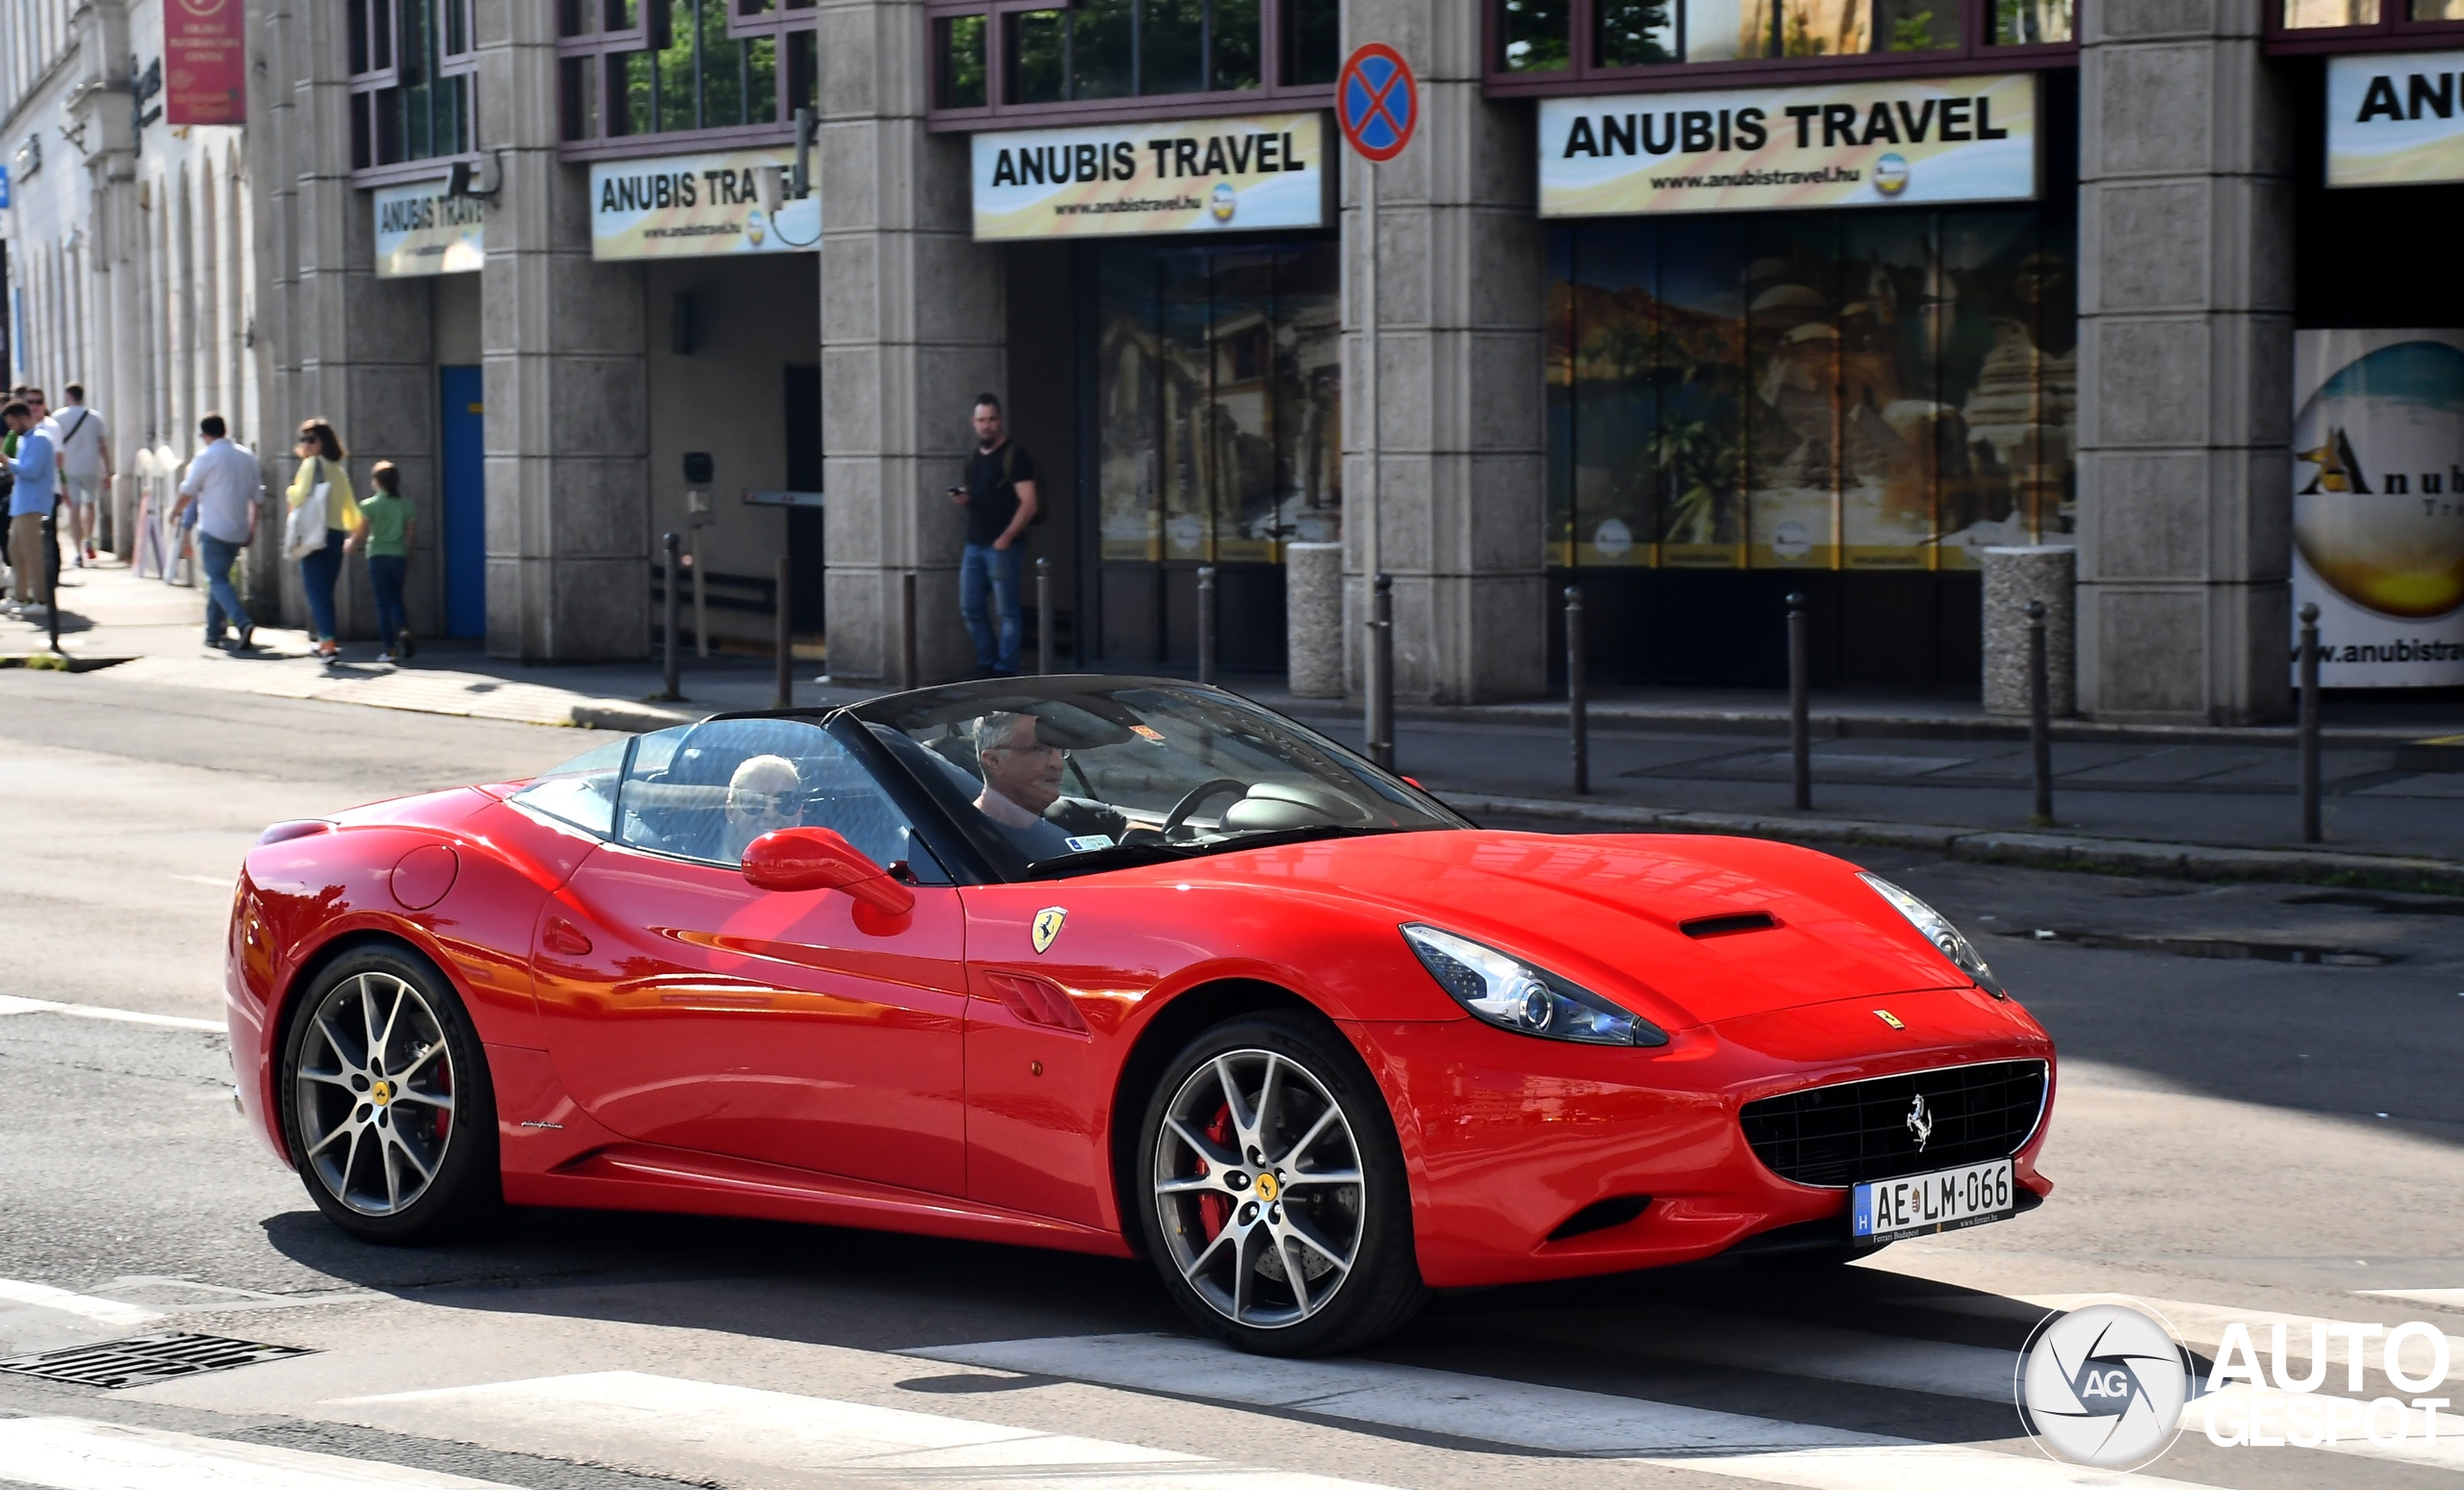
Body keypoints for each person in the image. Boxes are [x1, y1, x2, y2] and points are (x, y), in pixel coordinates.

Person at [948, 394, 1039, 678]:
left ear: (999, 421)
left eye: (991, 420)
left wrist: (1007, 537)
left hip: (1002, 547)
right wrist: (965, 499)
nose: (986, 426)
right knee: (970, 607)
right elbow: (978, 494)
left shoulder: (1016, 456)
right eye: (981, 420)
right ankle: (987, 663)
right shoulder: (974, 457)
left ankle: (1005, 669)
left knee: (1006, 611)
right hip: (975, 544)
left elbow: (1029, 502)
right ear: (973, 423)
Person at [969, 711, 1125, 858]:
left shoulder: (1085, 816)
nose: (1057, 764)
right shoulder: (961, 842)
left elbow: (1138, 835)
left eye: (1059, 749)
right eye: (1038, 750)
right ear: (993, 760)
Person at [171, 414, 264, 651]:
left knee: (217, 579)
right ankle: (213, 633)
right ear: (226, 430)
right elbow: (258, 497)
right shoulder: (246, 456)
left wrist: (174, 512)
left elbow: (188, 490)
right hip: (238, 529)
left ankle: (242, 622)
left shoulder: (205, 456)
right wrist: (251, 527)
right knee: (218, 579)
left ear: (205, 435)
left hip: (213, 527)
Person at [288, 419, 361, 664]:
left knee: (316, 592)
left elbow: (298, 497)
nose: (306, 445)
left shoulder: (311, 465)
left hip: (314, 535)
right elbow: (350, 508)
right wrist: (353, 534)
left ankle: (328, 645)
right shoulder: (338, 470)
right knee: (325, 591)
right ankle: (324, 641)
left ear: (322, 442)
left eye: (311, 440)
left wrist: (290, 491)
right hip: (335, 535)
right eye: (303, 439)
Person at [3, 399, 59, 619]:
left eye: (12, 422)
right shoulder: (24, 441)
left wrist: (7, 462)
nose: (11, 428)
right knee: (15, 551)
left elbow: (32, 471)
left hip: (34, 505)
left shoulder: (40, 439)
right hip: (21, 504)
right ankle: (20, 596)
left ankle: (41, 599)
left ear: (23, 418)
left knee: (32, 553)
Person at [356, 461, 416, 663]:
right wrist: (409, 556)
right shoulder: (407, 505)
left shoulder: (368, 505)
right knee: (397, 598)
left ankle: (389, 649)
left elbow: (362, 531)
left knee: (382, 603)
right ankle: (404, 628)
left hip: (377, 555)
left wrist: (350, 543)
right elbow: (410, 535)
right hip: (399, 554)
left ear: (376, 482)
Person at [53, 385, 109, 566]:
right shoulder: (95, 417)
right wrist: (107, 470)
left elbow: (55, 446)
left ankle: (78, 552)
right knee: (90, 504)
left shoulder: (58, 417)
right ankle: (89, 538)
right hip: (91, 466)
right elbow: (102, 446)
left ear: (68, 396)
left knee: (74, 509)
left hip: (69, 468)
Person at [720, 755, 803, 863]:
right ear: (730, 811)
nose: (770, 814)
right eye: (755, 802)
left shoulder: (816, 872)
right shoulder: (701, 869)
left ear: (799, 813)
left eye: (784, 802)